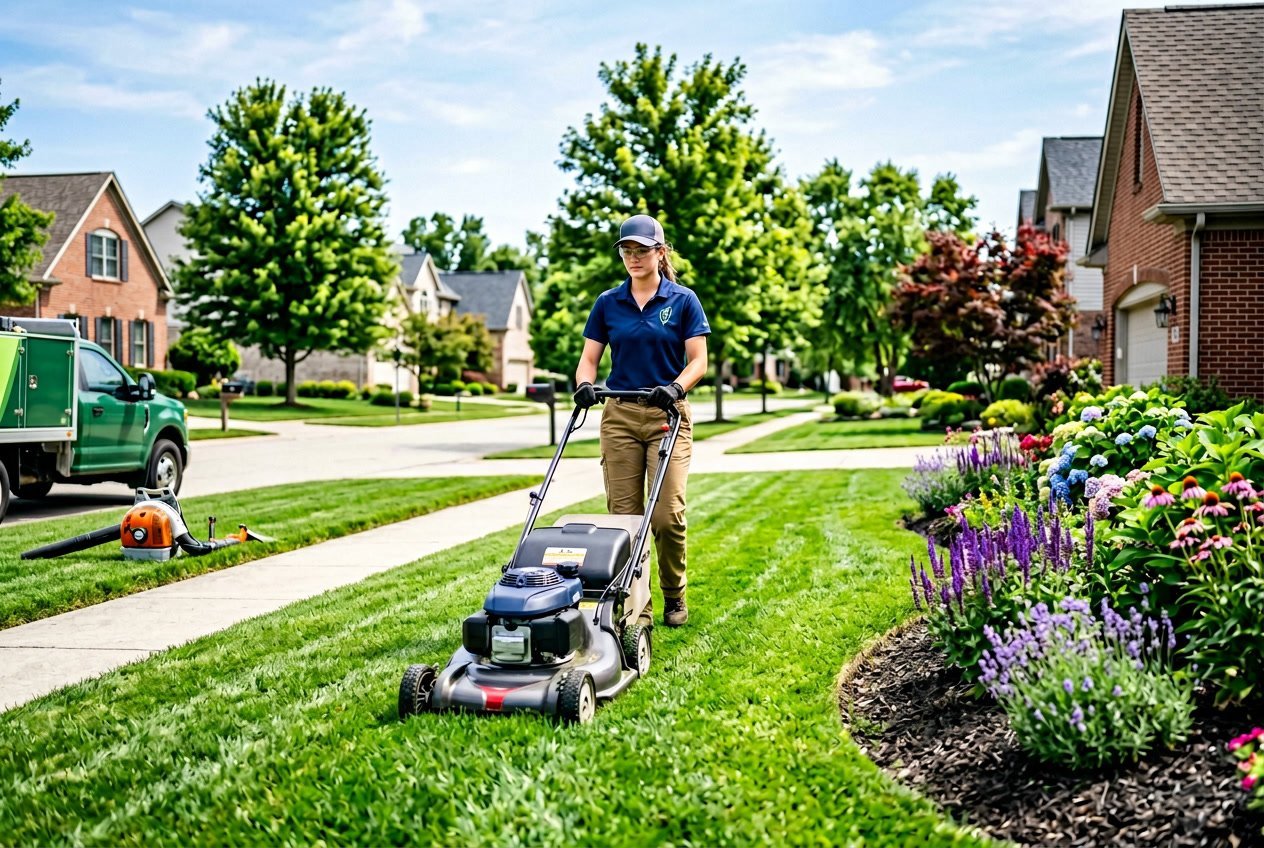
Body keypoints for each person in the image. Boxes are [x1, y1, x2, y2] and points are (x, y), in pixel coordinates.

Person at [573, 214, 710, 627]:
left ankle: (674, 593)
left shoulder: (683, 300)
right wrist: (584, 384)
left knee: (667, 515)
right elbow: (590, 359)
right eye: (626, 251)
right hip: (619, 415)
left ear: (660, 252)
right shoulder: (607, 303)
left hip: (667, 414)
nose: (633, 258)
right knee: (625, 519)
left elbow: (699, 360)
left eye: (642, 250)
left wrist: (677, 388)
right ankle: (637, 609)